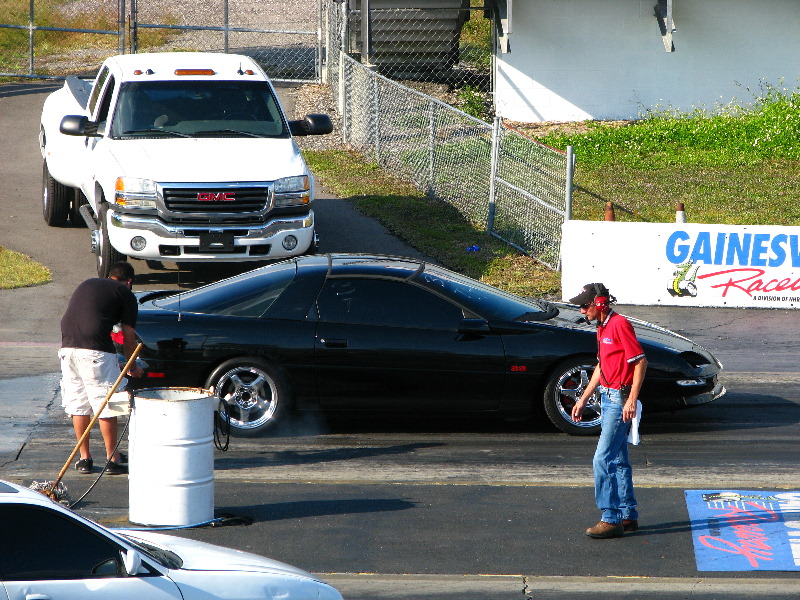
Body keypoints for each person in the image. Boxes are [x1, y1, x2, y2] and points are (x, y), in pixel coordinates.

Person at [569, 283, 647, 539]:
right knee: (618, 459)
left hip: (619, 400)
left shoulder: (619, 324)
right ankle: (628, 514)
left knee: (601, 459)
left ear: (600, 303)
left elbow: (640, 362)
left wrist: (631, 399)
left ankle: (610, 518)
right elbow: (602, 366)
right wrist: (583, 398)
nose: (582, 310)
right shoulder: (602, 327)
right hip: (608, 396)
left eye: (585, 305)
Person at [59, 261, 144, 475]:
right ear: (129, 281)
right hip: (95, 351)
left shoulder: (88, 283)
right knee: (106, 403)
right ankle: (112, 458)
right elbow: (128, 335)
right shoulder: (125, 293)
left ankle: (84, 459)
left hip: (67, 348)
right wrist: (132, 365)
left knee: (79, 403)